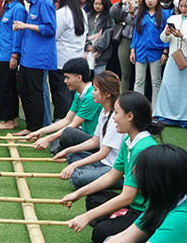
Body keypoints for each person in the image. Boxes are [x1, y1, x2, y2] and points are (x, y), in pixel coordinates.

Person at [61, 91, 164, 243]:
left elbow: (127, 196)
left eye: (116, 112)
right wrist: (78, 194)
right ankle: (120, 222)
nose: (113, 117)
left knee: (100, 233)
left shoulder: (142, 149)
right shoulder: (129, 141)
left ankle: (138, 231)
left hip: (146, 211)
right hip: (133, 204)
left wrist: (87, 216)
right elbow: (111, 176)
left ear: (130, 116)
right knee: (94, 199)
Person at [53, 71, 125, 189]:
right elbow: (95, 141)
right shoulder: (104, 111)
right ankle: (92, 172)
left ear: (107, 94)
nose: (92, 92)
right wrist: (67, 151)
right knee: (72, 155)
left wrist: (75, 165)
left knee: (77, 178)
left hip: (115, 169)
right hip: (105, 162)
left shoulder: (115, 118)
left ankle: (94, 174)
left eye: (96, 90)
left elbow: (103, 153)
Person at [105, 144, 187, 243]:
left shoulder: (180, 218)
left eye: (140, 177)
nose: (135, 180)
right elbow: (125, 236)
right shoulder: (163, 201)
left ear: (156, 181)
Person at [12, 0, 57, 135]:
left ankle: (37, 129)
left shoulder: (44, 2)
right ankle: (30, 126)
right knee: (23, 89)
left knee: (35, 93)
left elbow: (50, 28)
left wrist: (25, 26)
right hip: (28, 56)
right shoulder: (31, 2)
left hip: (39, 57)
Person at [27, 58, 102, 153]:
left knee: (68, 132)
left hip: (95, 140)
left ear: (79, 78)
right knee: (59, 122)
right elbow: (66, 120)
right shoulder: (79, 94)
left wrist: (48, 139)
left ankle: (60, 147)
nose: (65, 81)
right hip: (85, 134)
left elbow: (73, 125)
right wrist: (40, 132)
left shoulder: (91, 96)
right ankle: (60, 146)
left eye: (67, 78)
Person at [50, 0, 87, 121]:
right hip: (76, 57)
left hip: (61, 59)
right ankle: (73, 120)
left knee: (61, 92)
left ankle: (61, 119)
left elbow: (54, 35)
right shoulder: (81, 12)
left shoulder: (61, 13)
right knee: (73, 93)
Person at [0, 0, 26, 130]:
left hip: (10, 54)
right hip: (3, 53)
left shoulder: (18, 9)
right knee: (4, 86)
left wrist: (14, 55)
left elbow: (17, 33)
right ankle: (10, 118)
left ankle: (8, 120)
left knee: (6, 87)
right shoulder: (7, 7)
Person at [131, 0, 170, 110]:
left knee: (156, 81)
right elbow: (136, 34)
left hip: (156, 52)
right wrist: (132, 50)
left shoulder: (164, 14)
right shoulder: (140, 14)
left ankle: (155, 110)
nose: (150, 1)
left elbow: (167, 34)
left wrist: (165, 51)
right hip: (141, 51)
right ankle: (137, 109)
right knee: (139, 81)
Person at [156, 0, 187, 127]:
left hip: (185, 58)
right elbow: (163, 39)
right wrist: (167, 33)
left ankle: (184, 118)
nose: (183, 8)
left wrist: (182, 36)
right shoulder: (173, 17)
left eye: (186, 6)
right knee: (169, 86)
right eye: (181, 5)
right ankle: (166, 115)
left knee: (184, 89)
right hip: (173, 58)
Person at [110, 0, 143, 93]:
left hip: (141, 42)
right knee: (125, 73)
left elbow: (137, 24)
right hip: (126, 40)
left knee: (140, 75)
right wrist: (121, 3)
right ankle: (122, 98)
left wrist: (133, 14)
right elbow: (113, 14)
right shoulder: (127, 7)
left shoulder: (147, 10)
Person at [86, 0, 115, 75]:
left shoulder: (109, 18)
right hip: (87, 53)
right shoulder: (88, 16)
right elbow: (83, 32)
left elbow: (107, 36)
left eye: (100, 4)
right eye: (95, 3)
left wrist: (96, 47)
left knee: (99, 79)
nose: (97, 6)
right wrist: (87, 45)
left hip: (102, 55)